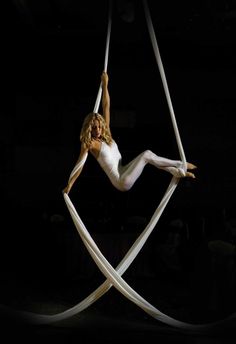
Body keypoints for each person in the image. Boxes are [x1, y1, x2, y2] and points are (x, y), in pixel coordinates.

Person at [63, 72, 196, 195]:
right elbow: (79, 165)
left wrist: (105, 84)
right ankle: (180, 165)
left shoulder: (106, 134)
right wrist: (70, 185)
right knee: (147, 155)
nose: (97, 131)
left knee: (150, 157)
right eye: (93, 128)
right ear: (88, 128)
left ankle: (177, 171)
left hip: (124, 169)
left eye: (98, 127)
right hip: (121, 181)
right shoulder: (89, 144)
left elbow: (106, 105)